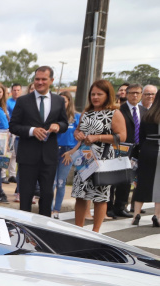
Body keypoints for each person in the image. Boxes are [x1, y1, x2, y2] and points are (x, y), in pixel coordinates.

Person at [66, 79, 126, 232]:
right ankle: (78, 229)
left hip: (103, 156)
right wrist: (78, 134)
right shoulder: (87, 112)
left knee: (100, 196)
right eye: (93, 94)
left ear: (108, 95)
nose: (95, 97)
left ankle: (96, 231)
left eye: (100, 94)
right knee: (80, 194)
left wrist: (98, 137)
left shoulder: (114, 113)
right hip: (84, 156)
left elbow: (122, 137)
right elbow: (78, 130)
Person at [9, 66, 68, 215]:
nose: (40, 82)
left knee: (47, 195)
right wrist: (31, 131)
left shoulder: (59, 101)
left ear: (51, 81)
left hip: (49, 156)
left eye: (43, 79)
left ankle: (45, 228)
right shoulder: (23, 101)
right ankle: (24, 229)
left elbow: (65, 123)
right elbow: (13, 126)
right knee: (26, 195)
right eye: (37, 79)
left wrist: (58, 126)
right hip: (28, 156)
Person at [111, 83, 145, 218]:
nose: (135, 95)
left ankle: (121, 206)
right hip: (121, 148)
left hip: (137, 150)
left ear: (141, 94)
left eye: (138, 93)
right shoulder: (119, 110)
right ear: (127, 94)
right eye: (132, 93)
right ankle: (110, 207)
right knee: (115, 179)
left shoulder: (143, 111)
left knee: (127, 180)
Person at [49, 91, 80, 218]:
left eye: (65, 101)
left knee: (61, 182)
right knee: (51, 183)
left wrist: (71, 153)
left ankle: (57, 210)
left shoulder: (76, 117)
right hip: (54, 149)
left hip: (69, 152)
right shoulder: (53, 116)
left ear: (69, 102)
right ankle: (50, 209)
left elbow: (80, 139)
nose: (62, 104)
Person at [131, 97, 160, 226]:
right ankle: (157, 215)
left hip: (147, 148)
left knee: (142, 182)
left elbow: (141, 136)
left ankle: (136, 214)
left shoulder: (147, 114)